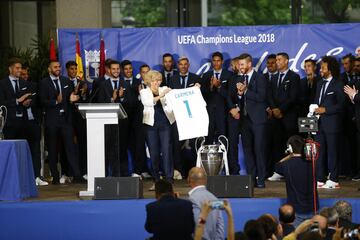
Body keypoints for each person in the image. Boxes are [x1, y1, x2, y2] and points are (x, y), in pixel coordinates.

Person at [0, 58, 48, 186]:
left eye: (20, 68)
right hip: (10, 124)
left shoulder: (25, 83)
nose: (19, 70)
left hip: (26, 124)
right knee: (12, 152)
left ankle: (34, 176)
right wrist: (17, 101)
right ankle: (11, 179)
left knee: (29, 151)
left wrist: (27, 102)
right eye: (17, 68)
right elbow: (2, 103)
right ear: (10, 69)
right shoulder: (2, 84)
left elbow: (33, 99)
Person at [39, 61, 82, 184]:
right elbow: (42, 101)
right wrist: (55, 102)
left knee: (70, 148)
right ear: (49, 69)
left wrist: (72, 98)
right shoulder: (43, 83)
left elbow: (69, 98)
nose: (58, 69)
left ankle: (77, 175)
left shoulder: (65, 81)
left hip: (65, 120)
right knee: (53, 150)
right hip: (52, 121)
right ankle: (56, 178)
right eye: (55, 67)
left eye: (59, 67)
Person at [232, 53, 268, 187]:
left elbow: (262, 97)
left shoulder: (260, 77)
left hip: (258, 120)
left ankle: (261, 178)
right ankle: (251, 178)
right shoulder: (239, 79)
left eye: (242, 64)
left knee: (258, 149)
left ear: (249, 64)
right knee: (248, 150)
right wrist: (240, 96)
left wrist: (246, 91)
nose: (239, 67)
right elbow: (238, 99)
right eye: (239, 64)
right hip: (245, 120)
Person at [314, 56, 345, 189]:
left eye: (323, 68)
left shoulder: (338, 83)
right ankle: (320, 179)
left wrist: (325, 109)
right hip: (319, 124)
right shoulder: (320, 83)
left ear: (330, 69)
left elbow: (342, 105)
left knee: (332, 151)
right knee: (319, 151)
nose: (321, 70)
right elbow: (317, 101)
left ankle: (333, 178)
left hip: (332, 124)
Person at [268, 52, 300, 181]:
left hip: (288, 117)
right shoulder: (274, 78)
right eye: (276, 60)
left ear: (286, 61)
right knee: (276, 144)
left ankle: (291, 172)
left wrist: (281, 110)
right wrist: (274, 109)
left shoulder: (294, 77)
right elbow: (270, 95)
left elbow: (293, 97)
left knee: (290, 145)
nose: (277, 62)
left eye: (279, 60)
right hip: (275, 118)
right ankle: (278, 171)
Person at [140, 70, 175, 190]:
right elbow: (148, 102)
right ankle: (156, 180)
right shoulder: (144, 91)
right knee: (153, 153)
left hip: (165, 123)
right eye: (154, 80)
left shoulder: (164, 88)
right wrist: (161, 96)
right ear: (149, 81)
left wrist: (195, 88)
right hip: (150, 125)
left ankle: (169, 179)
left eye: (158, 80)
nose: (156, 82)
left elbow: (177, 94)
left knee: (166, 151)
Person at [168, 56, 201, 177]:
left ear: (188, 65)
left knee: (193, 144)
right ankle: (179, 171)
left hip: (191, 117)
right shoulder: (172, 79)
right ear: (178, 65)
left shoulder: (196, 78)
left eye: (185, 64)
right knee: (176, 145)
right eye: (180, 64)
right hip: (177, 117)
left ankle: (194, 171)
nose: (183, 66)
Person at [275, 135, 318, 225]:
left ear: (290, 148)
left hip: (296, 211)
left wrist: (290, 156)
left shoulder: (286, 164)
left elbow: (277, 166)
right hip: (313, 209)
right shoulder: (312, 163)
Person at [96, 60, 128, 177]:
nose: (116, 71)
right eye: (113, 69)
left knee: (122, 149)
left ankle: (123, 175)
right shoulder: (103, 85)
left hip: (122, 122)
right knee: (108, 150)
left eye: (118, 69)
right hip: (107, 123)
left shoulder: (125, 83)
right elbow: (99, 102)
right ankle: (105, 175)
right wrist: (112, 99)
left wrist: (122, 98)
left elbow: (131, 103)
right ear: (109, 70)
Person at [120, 60, 146, 178]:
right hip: (123, 119)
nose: (128, 71)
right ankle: (124, 172)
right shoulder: (119, 83)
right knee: (123, 146)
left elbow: (143, 102)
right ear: (122, 70)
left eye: (130, 68)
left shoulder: (139, 83)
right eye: (126, 69)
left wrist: (141, 94)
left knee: (138, 146)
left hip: (137, 119)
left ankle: (138, 171)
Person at [201, 51, 232, 144]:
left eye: (218, 61)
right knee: (208, 136)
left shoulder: (229, 75)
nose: (216, 63)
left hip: (223, 111)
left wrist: (218, 86)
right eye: (214, 61)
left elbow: (230, 94)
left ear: (222, 62)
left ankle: (224, 158)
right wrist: (210, 87)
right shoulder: (206, 75)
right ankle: (208, 158)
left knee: (223, 137)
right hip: (209, 111)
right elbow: (202, 94)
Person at [65, 60, 88, 179]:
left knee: (83, 145)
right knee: (68, 146)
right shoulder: (63, 82)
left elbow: (87, 100)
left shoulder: (83, 83)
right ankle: (69, 173)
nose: (73, 71)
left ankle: (83, 172)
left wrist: (83, 94)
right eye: (71, 69)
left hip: (80, 118)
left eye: (75, 69)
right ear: (67, 70)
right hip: (67, 118)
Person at [188, 167, 224, 240]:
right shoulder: (215, 199)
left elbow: (198, 223)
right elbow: (220, 225)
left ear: (188, 180)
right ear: (206, 180)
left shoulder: (192, 200)